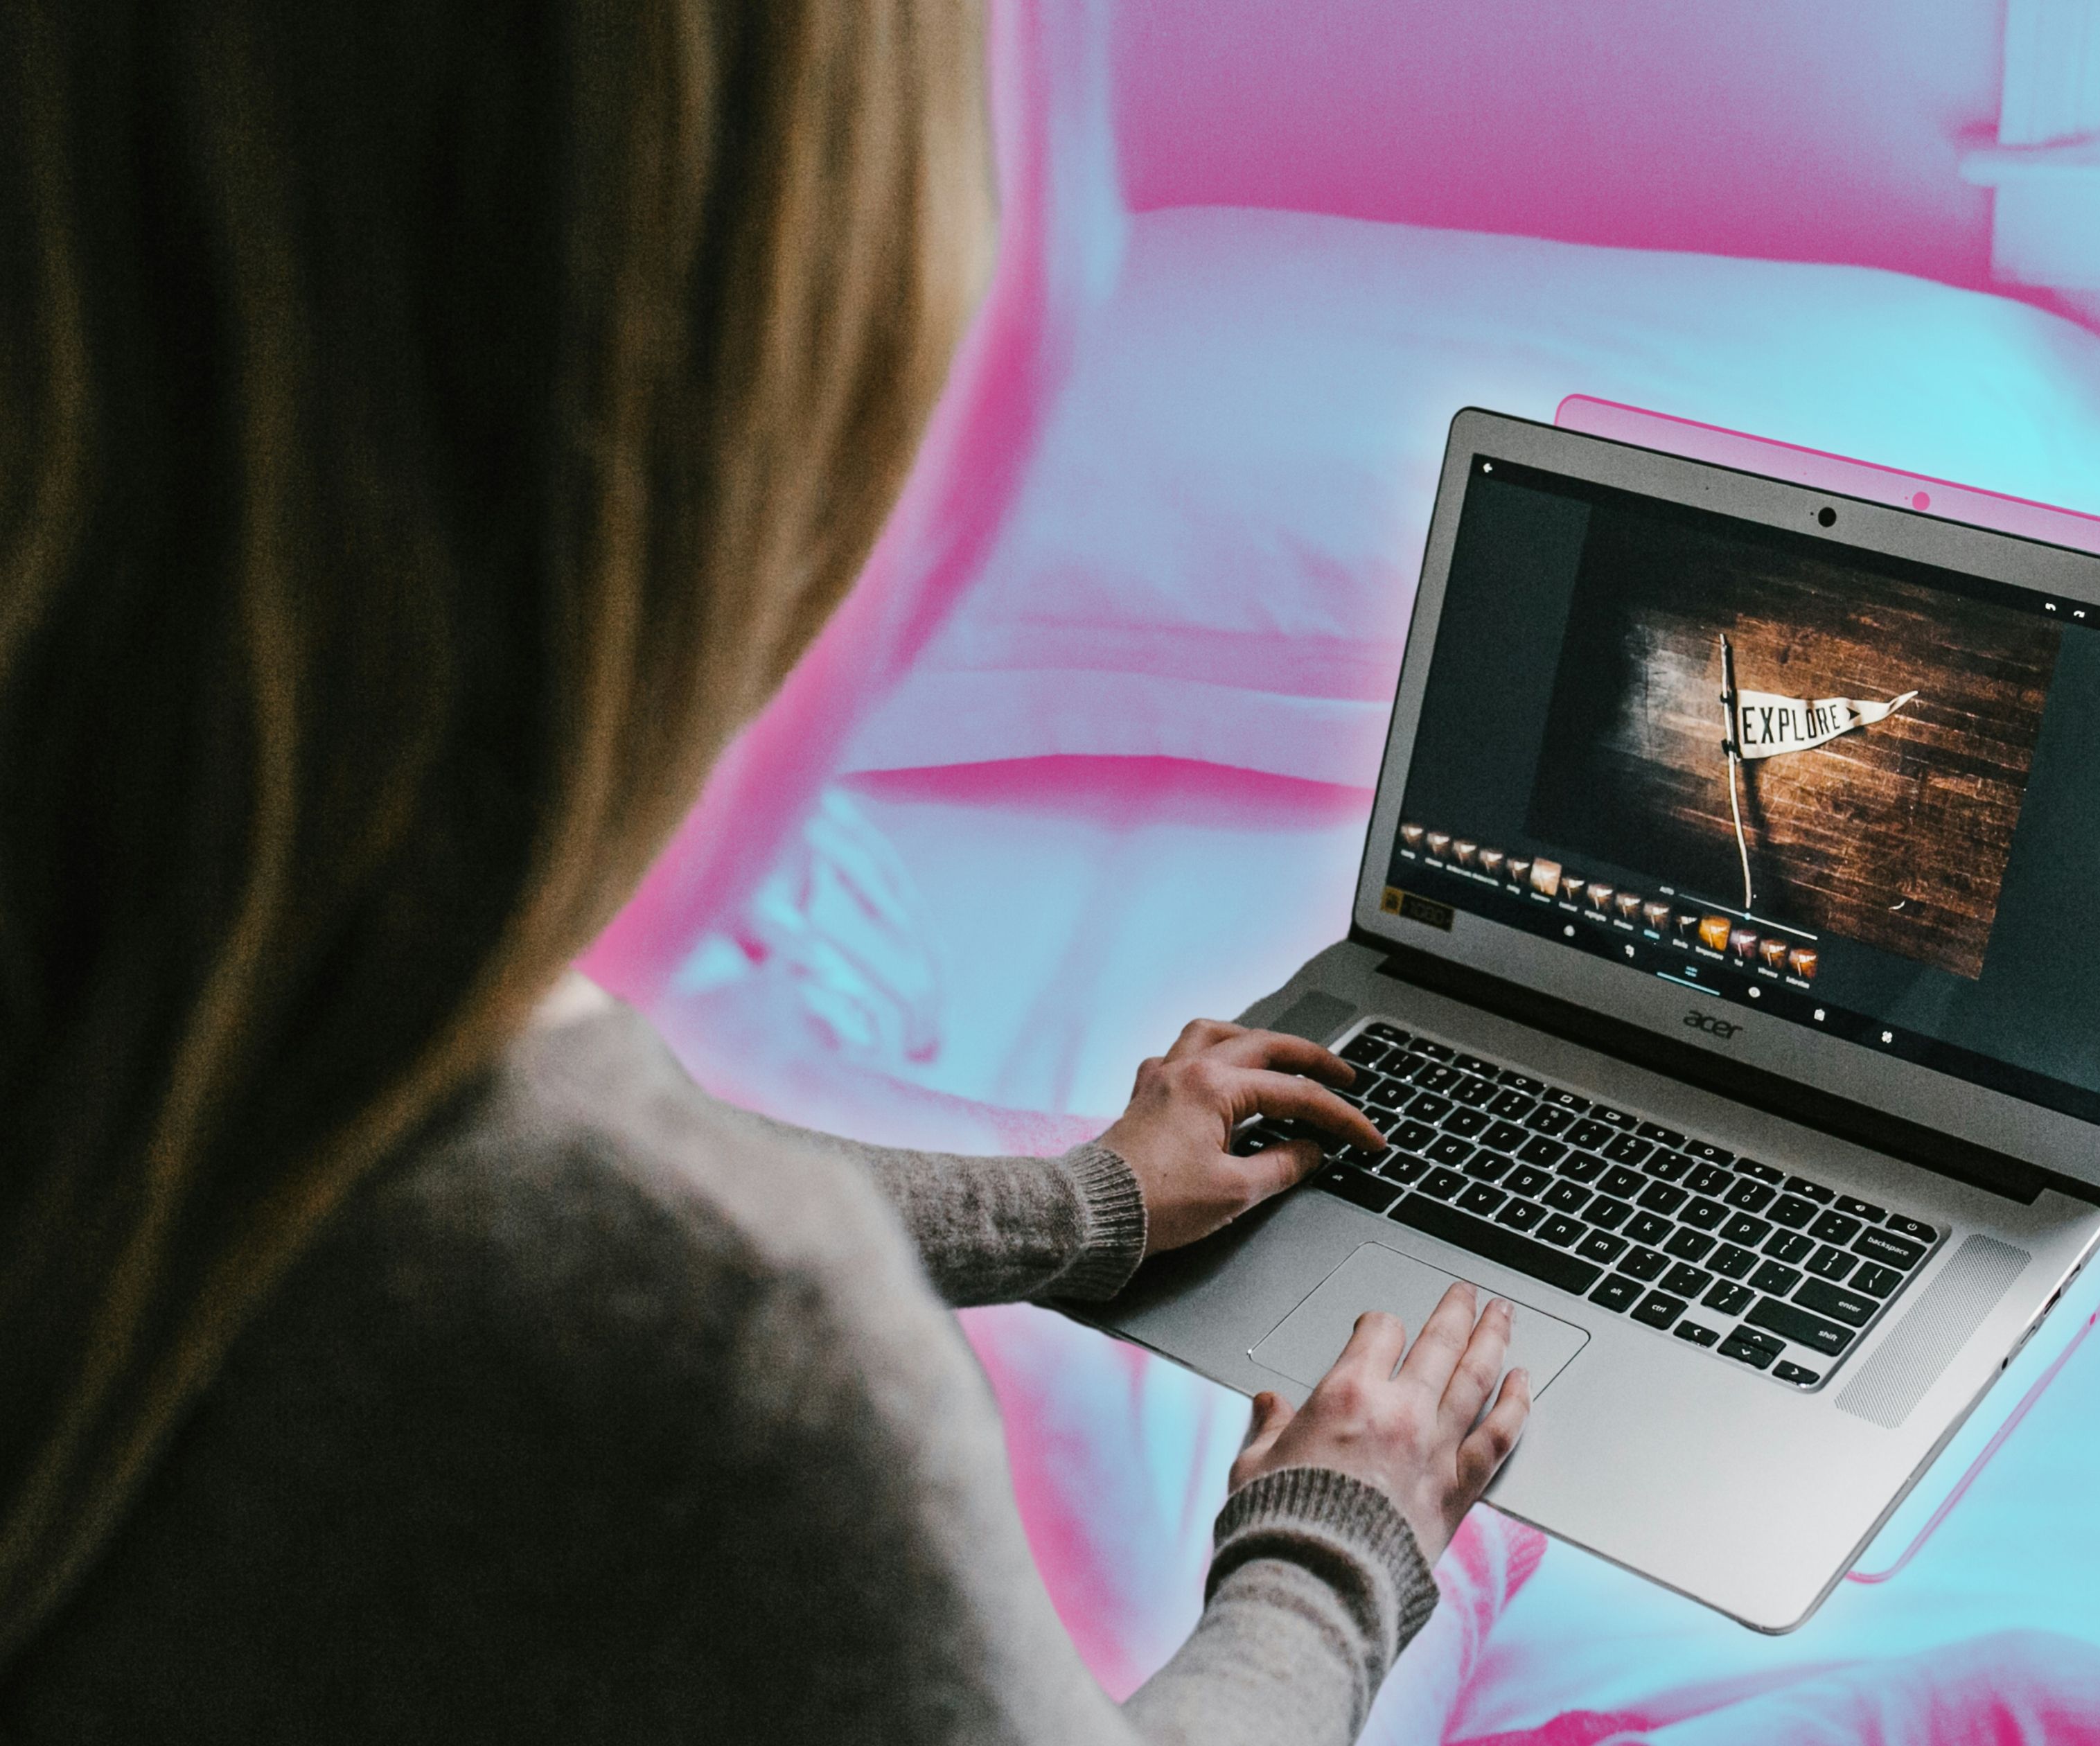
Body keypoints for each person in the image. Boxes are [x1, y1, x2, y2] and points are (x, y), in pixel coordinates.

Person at [0, 1, 1528, 1739]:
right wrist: (1342, 1538)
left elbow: (503, 1191)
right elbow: (580, 1244)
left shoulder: (158, 957)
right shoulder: (730, 1347)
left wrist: (1082, 1208)